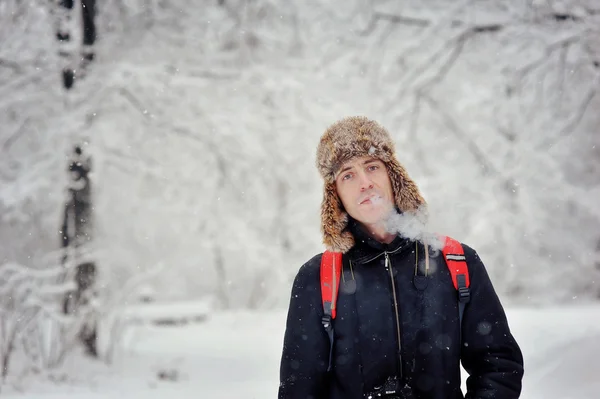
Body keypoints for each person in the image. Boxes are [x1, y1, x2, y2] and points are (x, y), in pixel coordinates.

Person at [278, 116, 524, 398]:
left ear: (393, 176)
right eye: (348, 175)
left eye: (372, 167)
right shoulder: (318, 277)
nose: (365, 183)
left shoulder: (456, 263)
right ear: (335, 195)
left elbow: (498, 365)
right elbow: (299, 389)